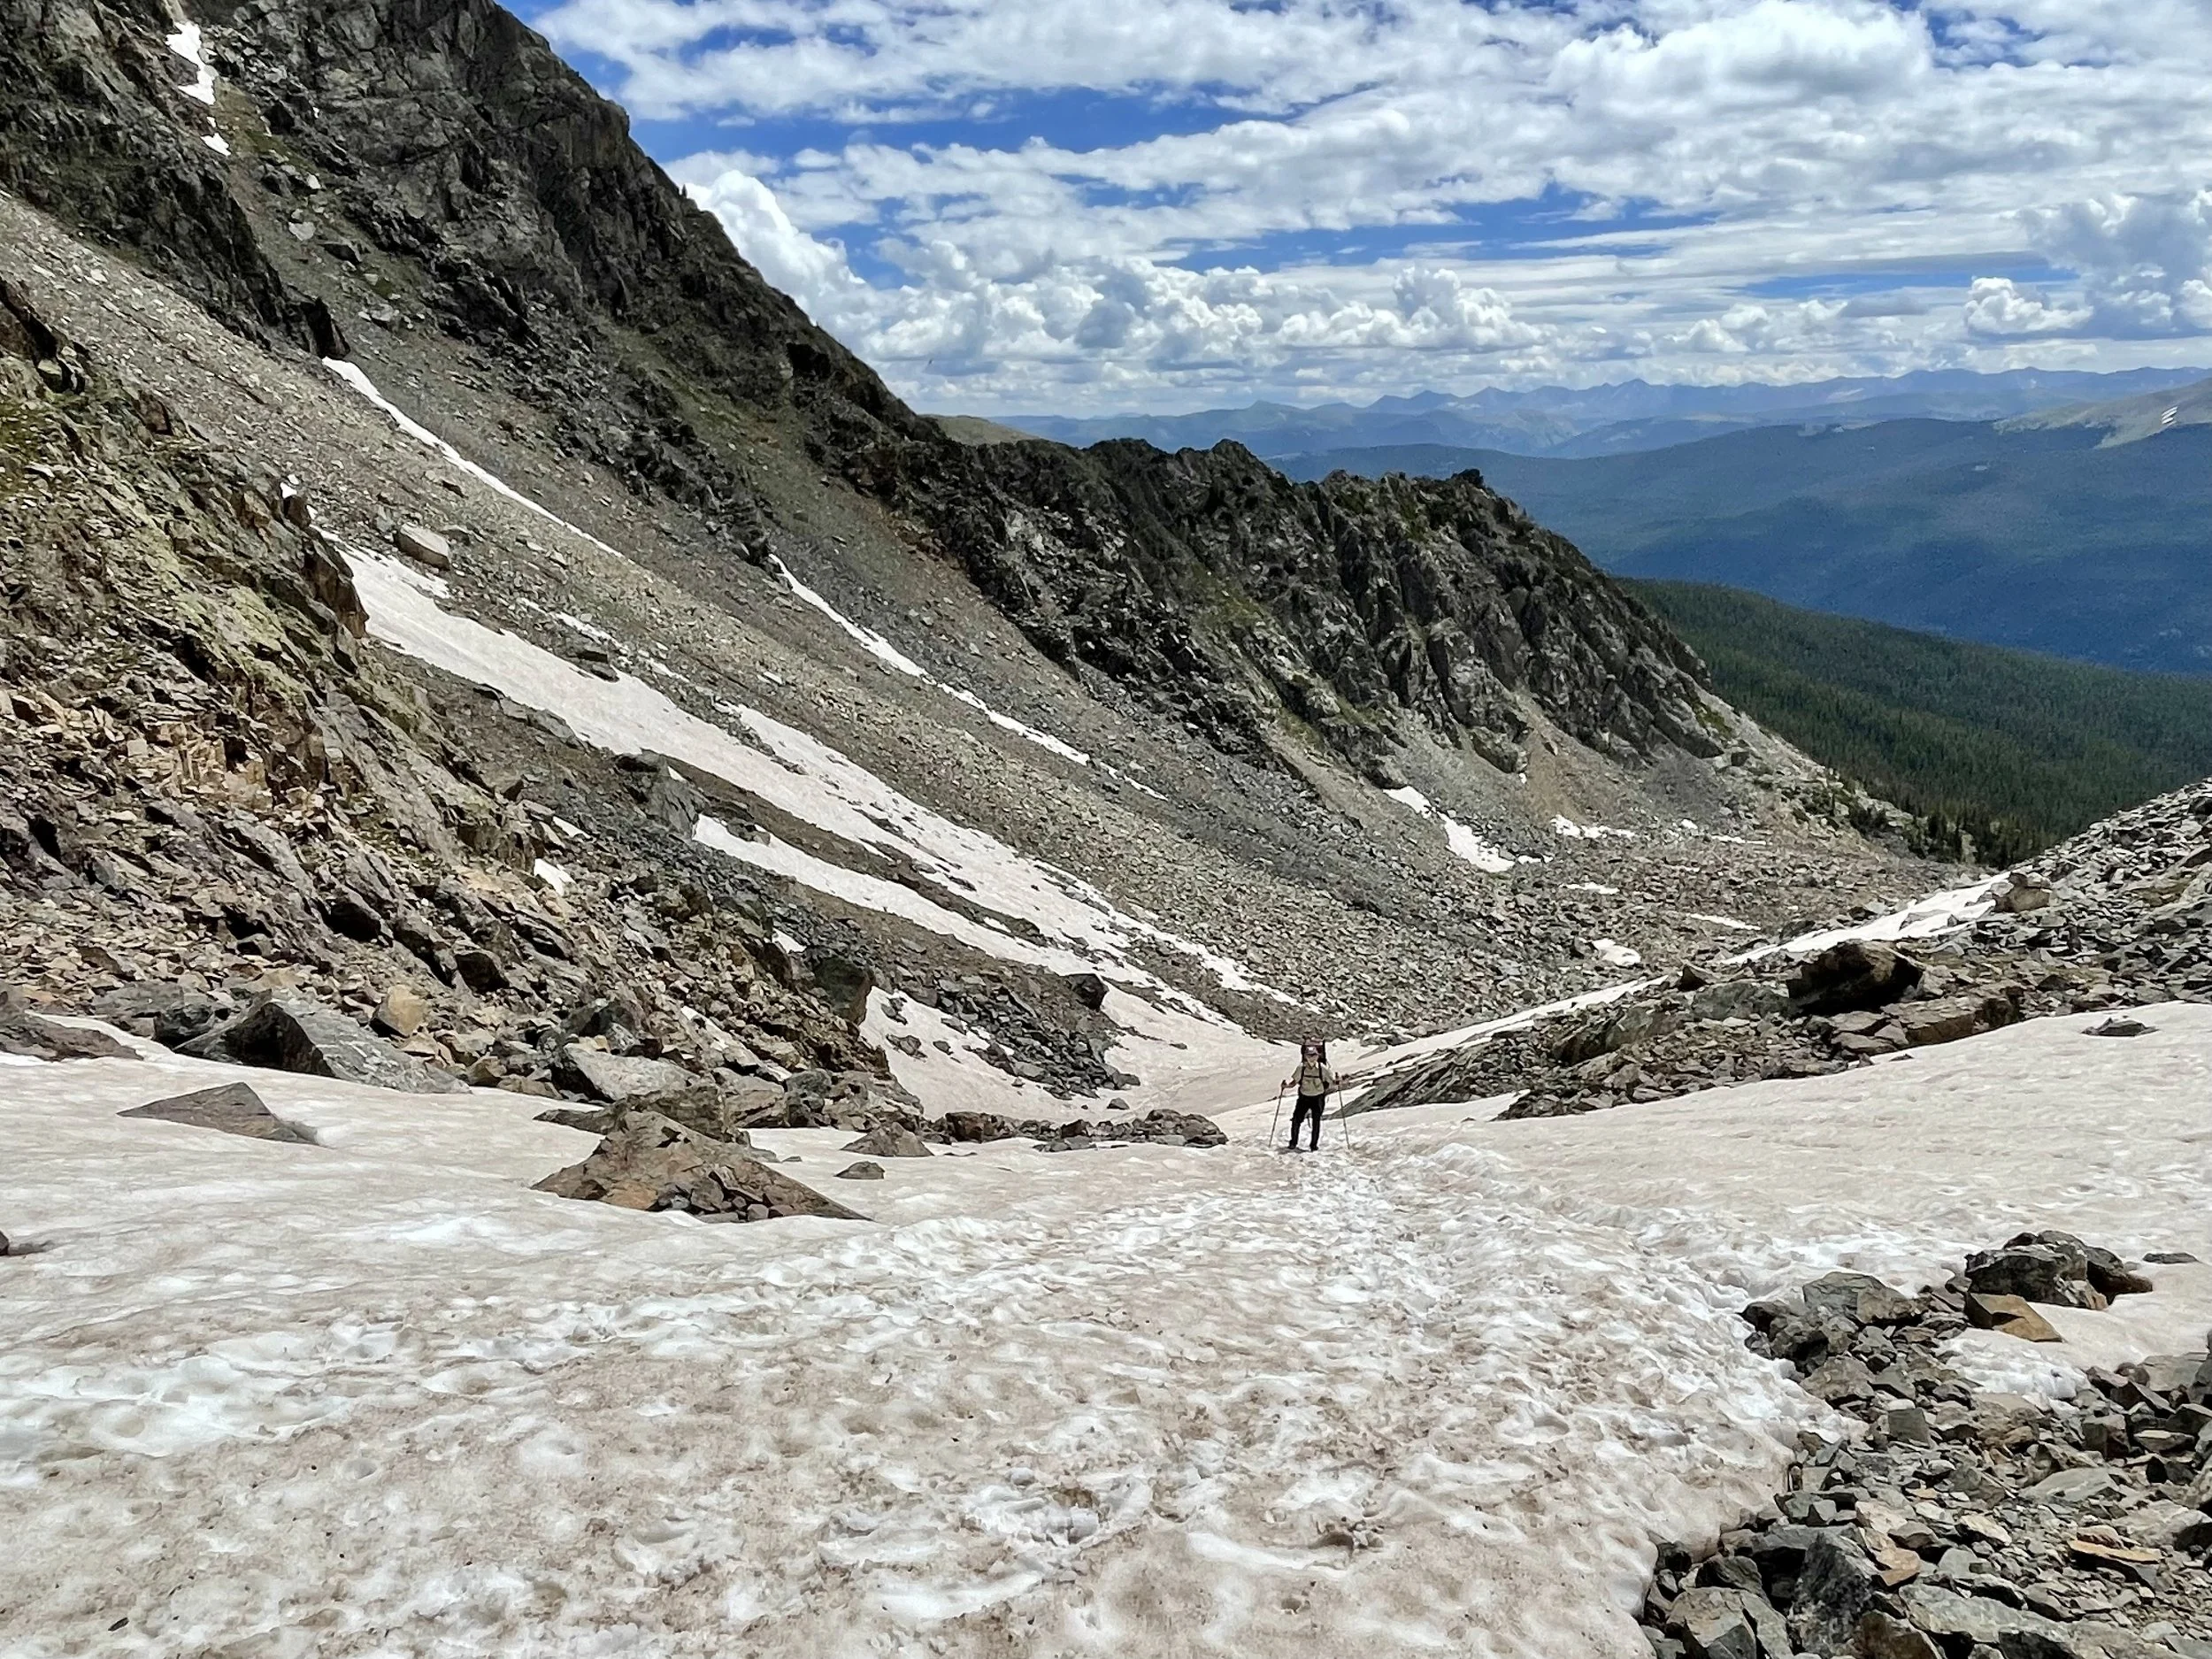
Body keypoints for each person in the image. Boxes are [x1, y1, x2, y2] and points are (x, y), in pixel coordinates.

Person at [1283, 1041, 1336, 1152]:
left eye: (1314, 1055)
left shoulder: (1323, 1069)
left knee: (1316, 1121)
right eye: (1309, 1055)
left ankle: (1313, 1145)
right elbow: (1294, 1082)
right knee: (1296, 1120)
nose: (1311, 1058)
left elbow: (1332, 1081)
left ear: (1317, 1056)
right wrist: (1286, 1086)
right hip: (1305, 1097)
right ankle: (1293, 1143)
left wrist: (1338, 1081)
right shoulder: (1301, 1068)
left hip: (1317, 1098)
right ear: (1305, 1056)